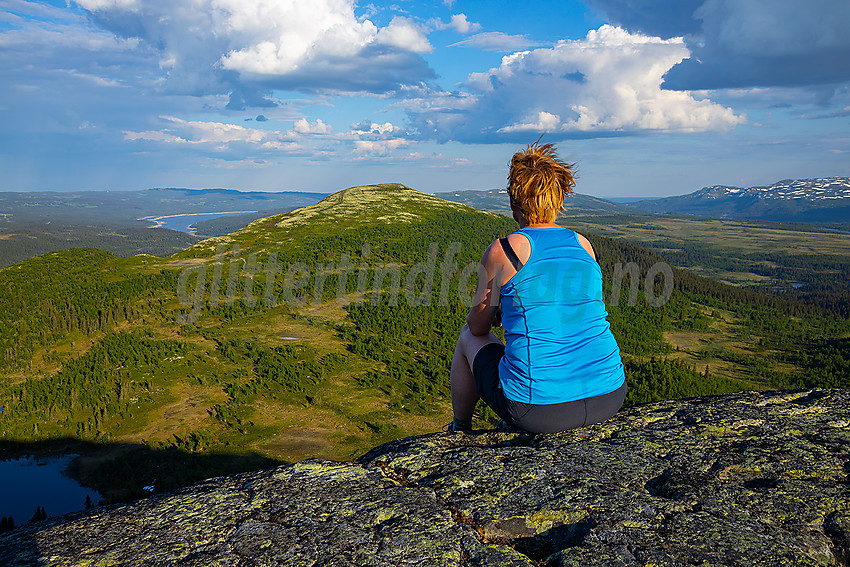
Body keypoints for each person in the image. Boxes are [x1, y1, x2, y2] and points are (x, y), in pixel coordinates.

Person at [447, 142, 627, 434]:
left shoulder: (505, 250)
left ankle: (460, 428)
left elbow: (478, 327)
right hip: (610, 395)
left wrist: (498, 309)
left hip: (536, 410)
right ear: (558, 199)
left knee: (467, 336)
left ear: (512, 202)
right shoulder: (583, 244)